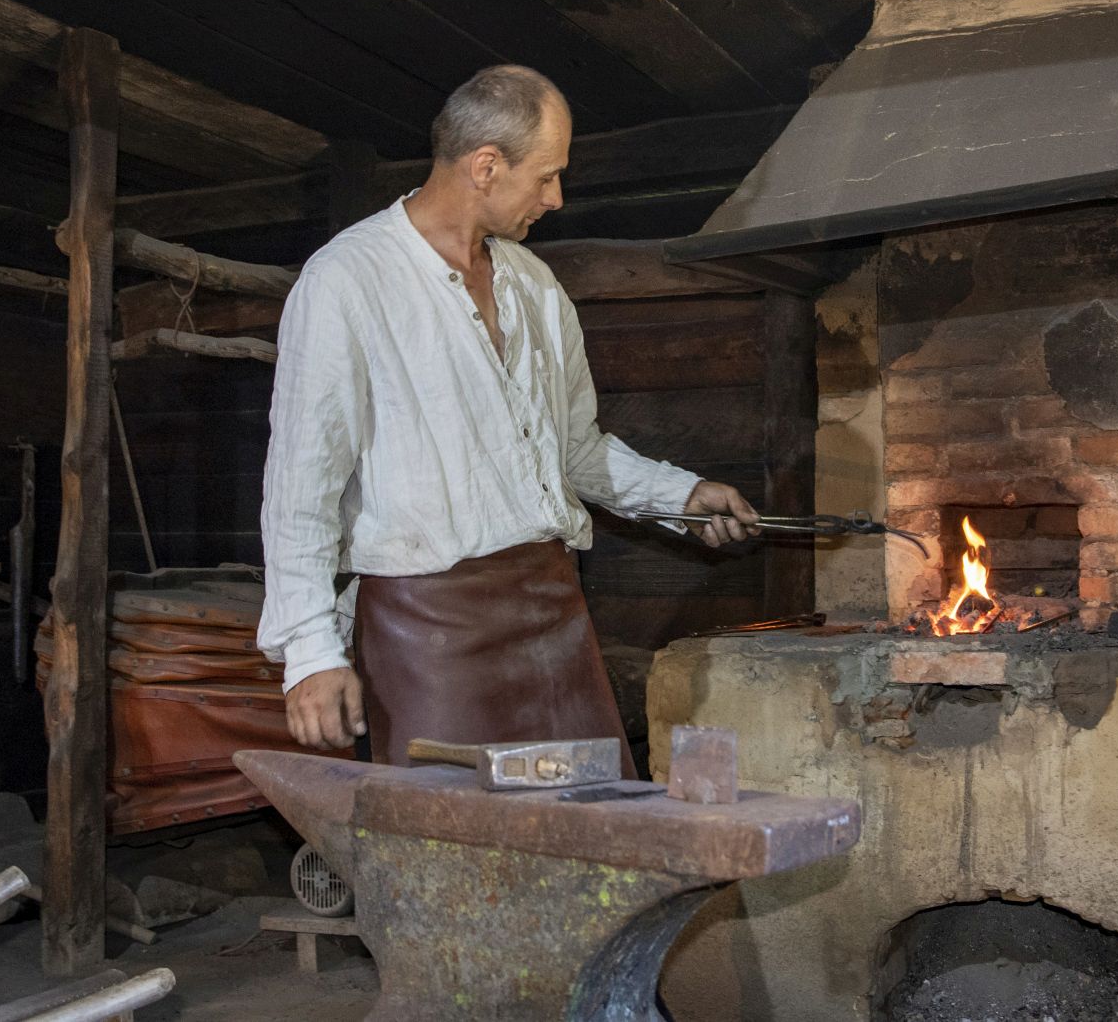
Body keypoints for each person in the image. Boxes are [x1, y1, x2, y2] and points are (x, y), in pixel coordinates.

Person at [257, 65, 759, 772]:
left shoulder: (535, 284)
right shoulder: (348, 280)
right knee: (456, 852)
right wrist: (310, 651)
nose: (556, 198)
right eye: (547, 176)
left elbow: (572, 446)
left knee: (595, 836)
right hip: (431, 627)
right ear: (486, 166)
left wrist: (676, 495)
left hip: (554, 608)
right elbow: (300, 485)